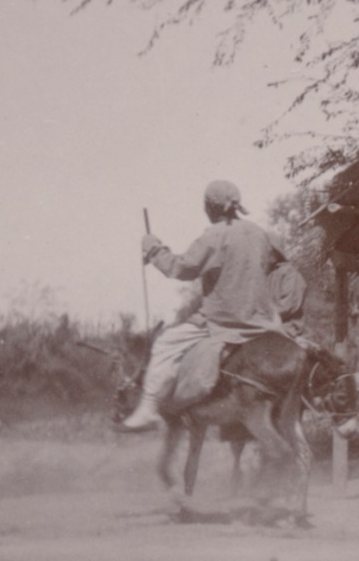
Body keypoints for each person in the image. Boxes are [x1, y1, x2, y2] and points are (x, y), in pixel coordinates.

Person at [117, 180, 291, 432]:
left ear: (211, 207)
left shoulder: (214, 235)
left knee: (166, 343)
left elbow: (181, 268)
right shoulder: (258, 234)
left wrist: (154, 249)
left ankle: (148, 410)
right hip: (263, 319)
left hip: (223, 320)